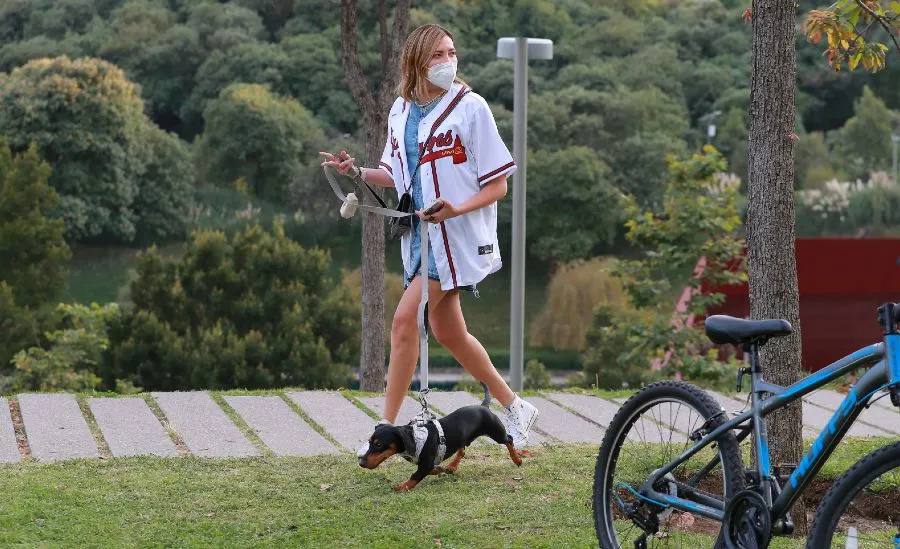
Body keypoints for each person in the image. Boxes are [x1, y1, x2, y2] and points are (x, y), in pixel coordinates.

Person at [320, 23, 539, 451]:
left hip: (455, 238)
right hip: (419, 236)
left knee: (404, 322)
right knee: (449, 334)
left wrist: (456, 208)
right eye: (438, 55)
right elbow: (395, 175)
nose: (448, 61)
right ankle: (515, 406)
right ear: (416, 62)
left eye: (451, 52)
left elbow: (499, 185)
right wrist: (354, 171)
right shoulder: (400, 111)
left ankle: (383, 431)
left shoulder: (472, 108)